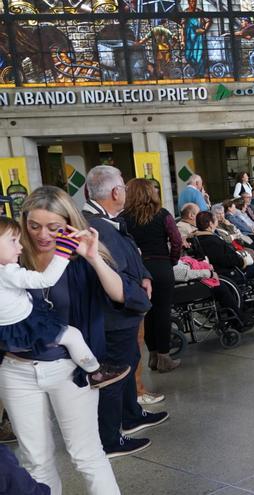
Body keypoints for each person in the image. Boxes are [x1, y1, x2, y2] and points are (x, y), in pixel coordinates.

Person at [0, 185, 125, 494]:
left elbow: (122, 294)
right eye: (33, 226)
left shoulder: (76, 255)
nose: (42, 234)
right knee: (34, 460)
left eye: (53, 227)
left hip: (68, 369)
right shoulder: (12, 258)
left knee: (86, 455)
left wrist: (93, 258)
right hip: (16, 369)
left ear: (68, 222)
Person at [83, 166, 167, 459]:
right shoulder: (97, 226)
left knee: (129, 361)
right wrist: (140, 297)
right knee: (115, 373)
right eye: (123, 186)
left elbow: (132, 254)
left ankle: (131, 415)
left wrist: (144, 274)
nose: (126, 191)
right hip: (115, 313)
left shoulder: (109, 222)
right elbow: (113, 273)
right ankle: (109, 438)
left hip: (123, 310)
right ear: (116, 192)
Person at [0, 216, 128, 386]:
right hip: (23, 325)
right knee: (73, 336)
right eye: (13, 241)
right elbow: (45, 280)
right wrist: (63, 251)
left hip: (12, 327)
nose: (21, 246)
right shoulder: (8, 273)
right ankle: (95, 371)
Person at [121, 178, 184, 373]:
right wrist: (172, 260)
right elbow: (176, 241)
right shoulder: (162, 214)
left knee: (146, 313)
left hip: (138, 270)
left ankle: (153, 356)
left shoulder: (123, 218)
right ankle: (164, 358)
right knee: (163, 312)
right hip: (161, 266)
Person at [191, 212, 254, 282]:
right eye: (215, 220)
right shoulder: (212, 241)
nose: (217, 222)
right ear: (210, 224)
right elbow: (226, 260)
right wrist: (242, 261)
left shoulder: (197, 238)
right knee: (253, 269)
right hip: (227, 273)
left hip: (220, 270)